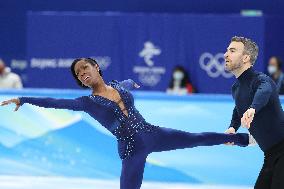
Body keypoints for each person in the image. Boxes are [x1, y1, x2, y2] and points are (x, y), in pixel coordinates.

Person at [1, 58, 251, 189]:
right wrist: (24, 99)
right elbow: (54, 102)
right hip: (132, 149)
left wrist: (132, 82)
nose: (83, 73)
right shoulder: (86, 103)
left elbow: (127, 84)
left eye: (85, 67)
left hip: (152, 133)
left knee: (197, 137)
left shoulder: (119, 86)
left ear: (96, 67)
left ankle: (242, 139)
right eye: (79, 74)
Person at [224, 36, 284, 189]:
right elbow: (239, 108)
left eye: (232, 50)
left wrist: (253, 108)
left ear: (245, 58)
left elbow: (264, 92)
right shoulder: (236, 88)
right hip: (271, 155)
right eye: (227, 50)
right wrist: (233, 127)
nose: (226, 54)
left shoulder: (262, 80)